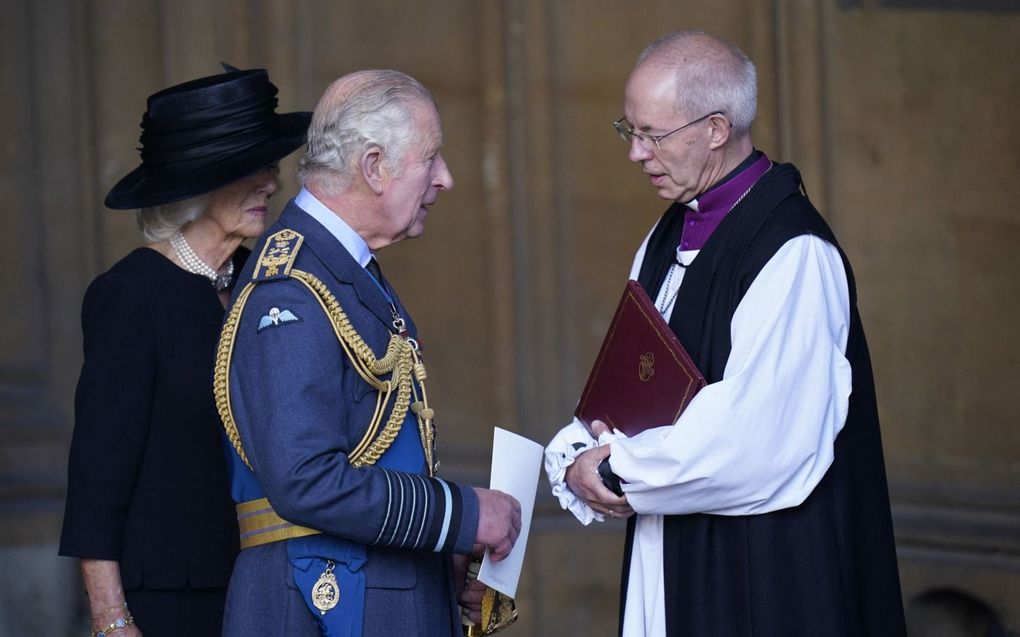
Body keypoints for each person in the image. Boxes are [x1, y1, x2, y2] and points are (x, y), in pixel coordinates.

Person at [545, 30, 906, 636]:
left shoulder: (793, 253)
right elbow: (631, 382)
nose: (636, 153)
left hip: (763, 572)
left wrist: (613, 471)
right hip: (674, 547)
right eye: (627, 130)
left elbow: (758, 440)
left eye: (652, 135)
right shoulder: (666, 235)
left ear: (716, 129)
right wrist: (578, 451)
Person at [214, 69, 522, 636]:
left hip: (379, 590)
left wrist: (444, 545)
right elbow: (304, 480)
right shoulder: (292, 287)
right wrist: (462, 513)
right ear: (374, 166)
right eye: (431, 158)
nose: (446, 178)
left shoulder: (339, 269)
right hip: (326, 602)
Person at [59, 67, 311, 637]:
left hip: (270, 583)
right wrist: (110, 619)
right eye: (252, 168)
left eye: (272, 165)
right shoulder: (129, 296)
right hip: (171, 601)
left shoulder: (261, 281)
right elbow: (98, 478)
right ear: (196, 185)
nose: (271, 183)